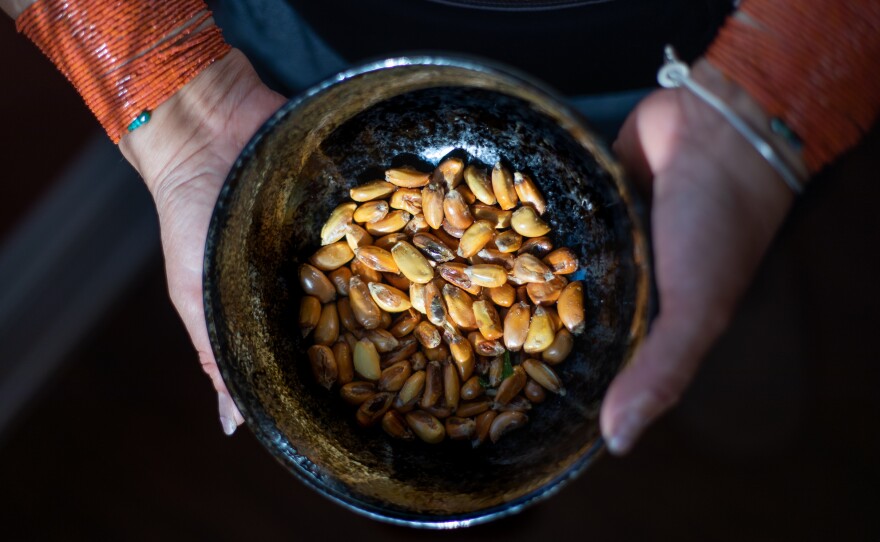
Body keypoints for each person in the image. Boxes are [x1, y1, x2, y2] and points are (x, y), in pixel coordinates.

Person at [2, 0, 876, 457]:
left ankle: (735, 287)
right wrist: (175, 99)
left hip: (693, 48)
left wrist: (775, 89)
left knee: (699, 232)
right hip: (304, 36)